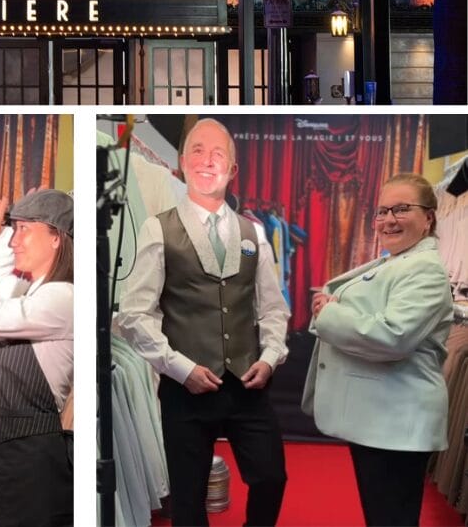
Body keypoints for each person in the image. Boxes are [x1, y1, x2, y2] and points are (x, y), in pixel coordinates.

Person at [115, 118, 290, 527]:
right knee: (188, 500)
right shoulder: (158, 228)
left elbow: (272, 309)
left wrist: (270, 356)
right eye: (197, 150)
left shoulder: (256, 234)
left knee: (271, 477)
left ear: (233, 169)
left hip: (248, 384)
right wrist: (179, 368)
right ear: (181, 163)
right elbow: (134, 314)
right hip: (186, 390)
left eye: (218, 153)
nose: (207, 160)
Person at [302, 172, 453, 527]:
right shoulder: (397, 261)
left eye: (401, 209)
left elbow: (391, 336)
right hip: (382, 420)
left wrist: (330, 312)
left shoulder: (424, 270)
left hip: (396, 423)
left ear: (428, 217)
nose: (388, 220)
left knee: (390, 518)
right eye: (382, 211)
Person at [0, 189, 74, 527]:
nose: (13, 241)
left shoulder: (63, 298)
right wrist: (11, 225)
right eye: (15, 229)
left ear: (57, 238)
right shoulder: (34, 292)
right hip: (7, 453)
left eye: (26, 230)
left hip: (30, 462)